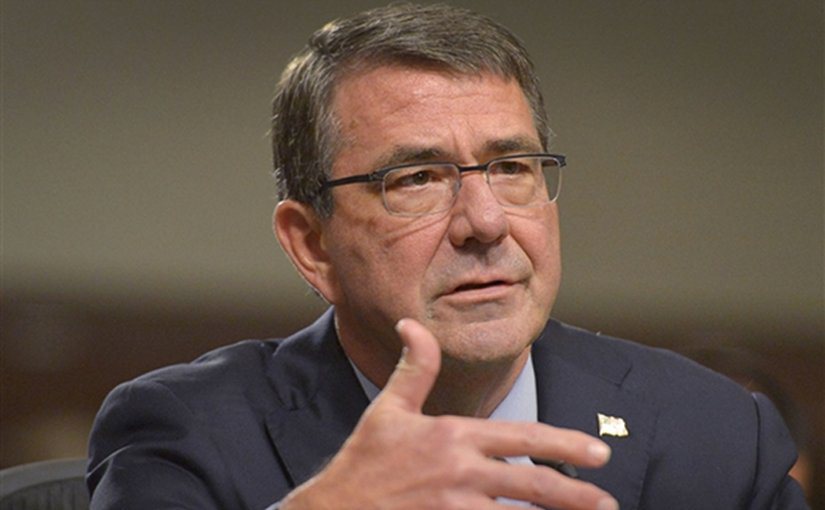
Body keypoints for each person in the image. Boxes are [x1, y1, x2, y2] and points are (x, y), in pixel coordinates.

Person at [86, 4, 808, 509]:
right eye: (418, 179)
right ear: (312, 245)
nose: (485, 222)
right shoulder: (188, 432)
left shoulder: (713, 433)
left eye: (511, 167)